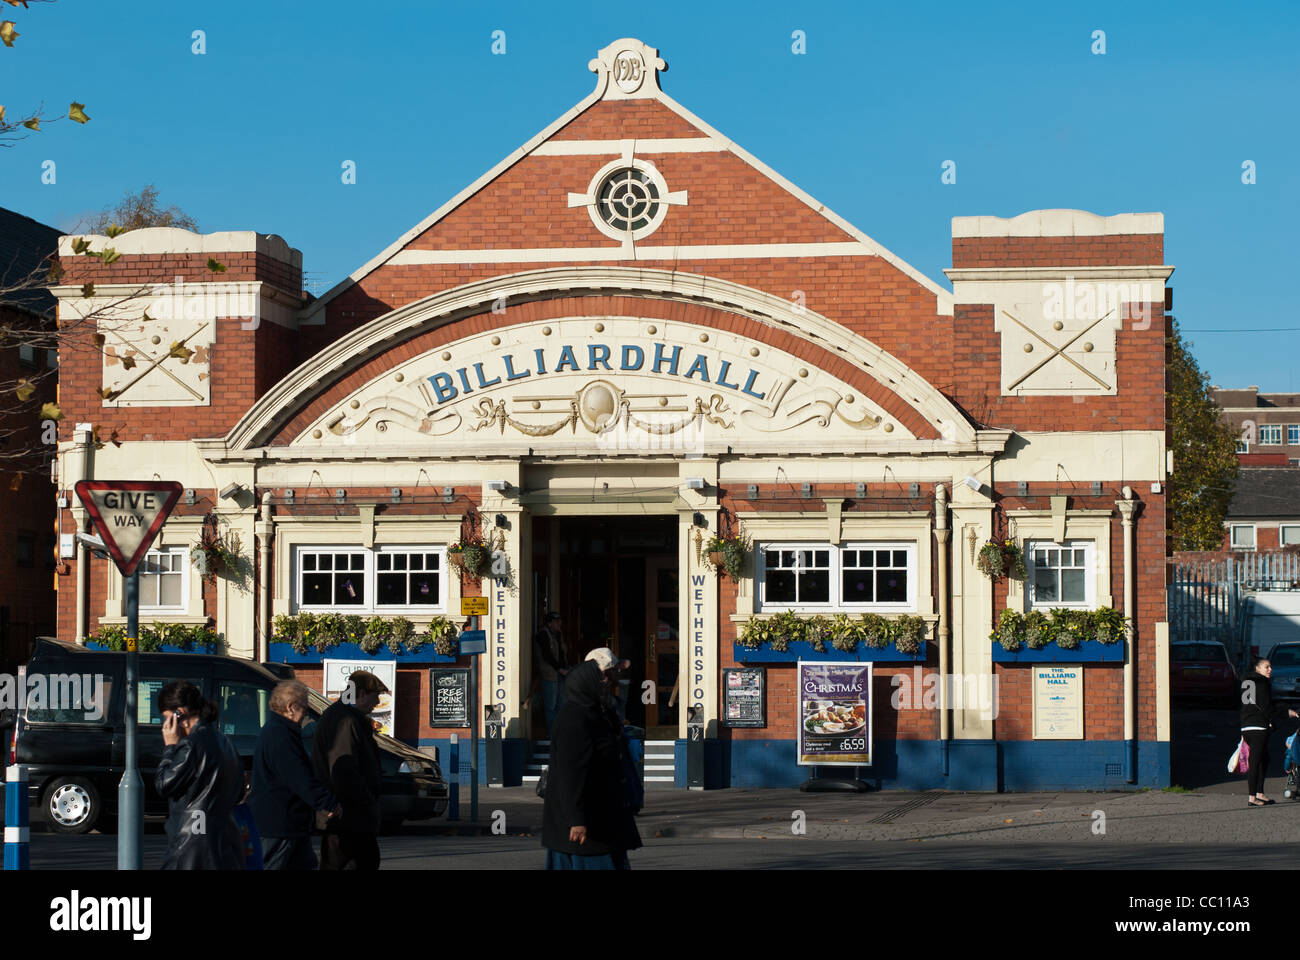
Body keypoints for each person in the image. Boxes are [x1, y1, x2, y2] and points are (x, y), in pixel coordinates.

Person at [542, 659, 642, 869]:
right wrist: (576, 820)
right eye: (601, 679)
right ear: (586, 684)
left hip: (602, 821)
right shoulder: (575, 718)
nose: (607, 682)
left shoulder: (597, 713)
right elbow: (571, 774)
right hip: (585, 831)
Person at [248, 680, 340, 870]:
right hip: (279, 824)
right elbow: (299, 777)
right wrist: (328, 803)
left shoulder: (277, 730)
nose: (306, 712)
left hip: (288, 823)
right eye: (304, 706)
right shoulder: (280, 735)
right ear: (290, 707)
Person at [155, 680, 244, 870]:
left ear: (179, 713)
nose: (165, 724)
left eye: (167, 717)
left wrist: (170, 747)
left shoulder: (190, 745)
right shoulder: (224, 742)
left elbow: (164, 784)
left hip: (191, 844)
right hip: (223, 842)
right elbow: (237, 791)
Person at [311, 670, 387, 870]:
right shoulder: (345, 720)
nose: (378, 702)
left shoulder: (344, 715)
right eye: (375, 696)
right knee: (361, 861)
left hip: (347, 816)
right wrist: (366, 799)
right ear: (361, 694)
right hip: (349, 817)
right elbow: (344, 771)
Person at [1240, 657, 1298, 806]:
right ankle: (1252, 797)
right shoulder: (1262, 683)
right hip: (1258, 727)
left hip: (1247, 725)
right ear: (1257, 669)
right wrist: (1287, 713)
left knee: (1264, 759)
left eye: (1270, 667)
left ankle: (1260, 793)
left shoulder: (1247, 682)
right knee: (1255, 761)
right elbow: (1267, 708)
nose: (1270, 670)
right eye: (1267, 667)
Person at [533, 612, 569, 734]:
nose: (560, 623)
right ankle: (552, 735)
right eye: (556, 621)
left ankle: (560, 733)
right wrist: (560, 669)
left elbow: (562, 654)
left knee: (562, 704)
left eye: (560, 620)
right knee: (551, 706)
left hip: (561, 674)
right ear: (549, 623)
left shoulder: (557, 635)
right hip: (550, 675)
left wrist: (565, 668)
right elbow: (547, 655)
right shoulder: (543, 634)